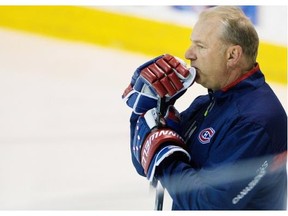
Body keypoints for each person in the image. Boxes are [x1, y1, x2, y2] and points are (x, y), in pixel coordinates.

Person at [122, 6, 287, 210]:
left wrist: (164, 156)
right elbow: (145, 162)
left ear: (232, 55)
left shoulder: (256, 121)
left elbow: (210, 206)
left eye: (200, 46)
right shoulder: (210, 102)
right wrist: (149, 111)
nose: (189, 54)